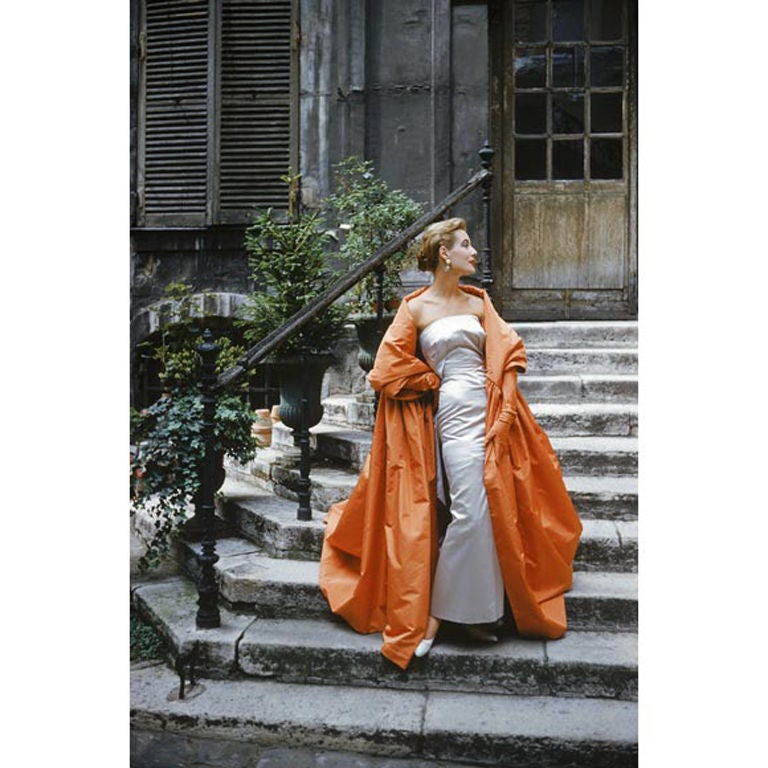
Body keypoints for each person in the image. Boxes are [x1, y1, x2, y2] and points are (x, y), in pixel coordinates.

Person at [319, 217, 582, 670]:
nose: (473, 251)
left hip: (493, 411)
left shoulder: (479, 302)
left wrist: (505, 413)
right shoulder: (415, 308)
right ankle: (435, 618)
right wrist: (431, 381)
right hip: (453, 417)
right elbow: (385, 370)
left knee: (491, 505)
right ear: (444, 253)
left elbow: (508, 355)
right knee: (471, 510)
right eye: (465, 244)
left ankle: (479, 614)